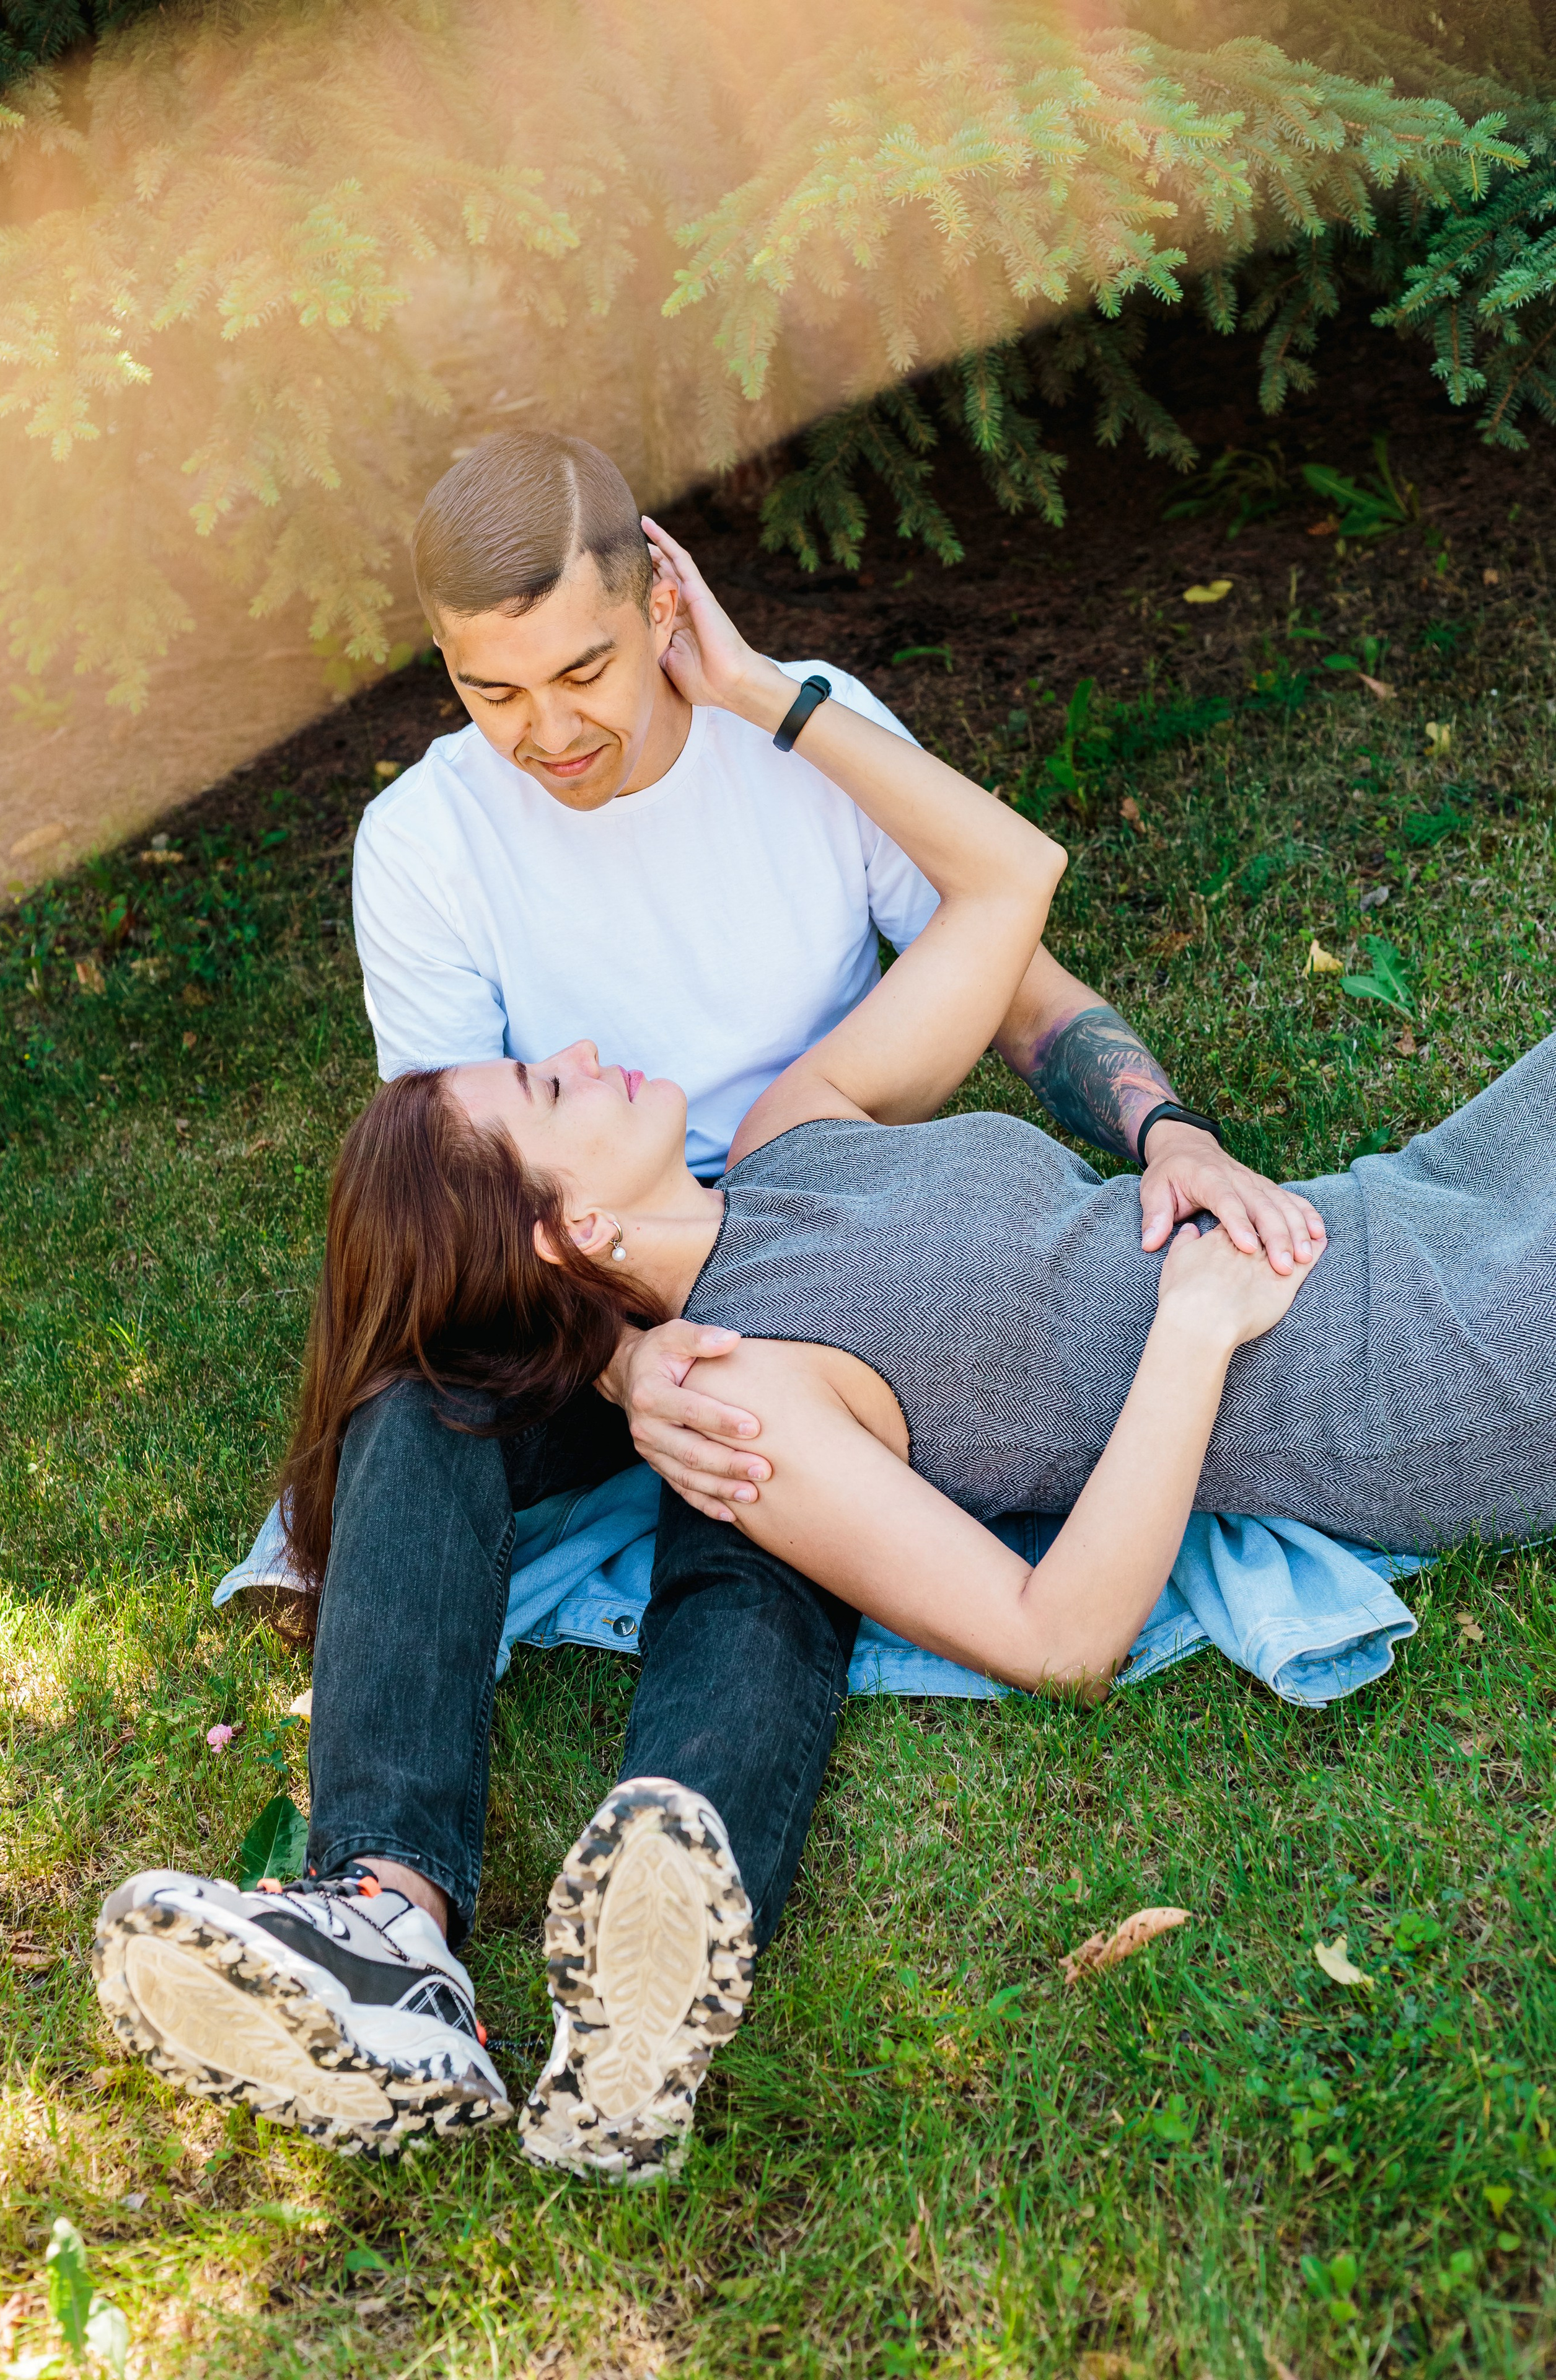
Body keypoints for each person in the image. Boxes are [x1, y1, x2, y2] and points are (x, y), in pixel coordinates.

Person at [90, 435, 1327, 2182]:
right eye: (489, 688)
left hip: (821, 1228)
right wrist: (625, 1357)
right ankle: (384, 1922)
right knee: (415, 1411)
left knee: (763, 1502)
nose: (546, 728)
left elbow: (1019, 989)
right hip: (584, 1271)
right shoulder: (427, 838)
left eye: (583, 670)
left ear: (661, 607)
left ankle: (657, 1955)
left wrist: (1167, 1124)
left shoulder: (801, 735)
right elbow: (476, 1196)